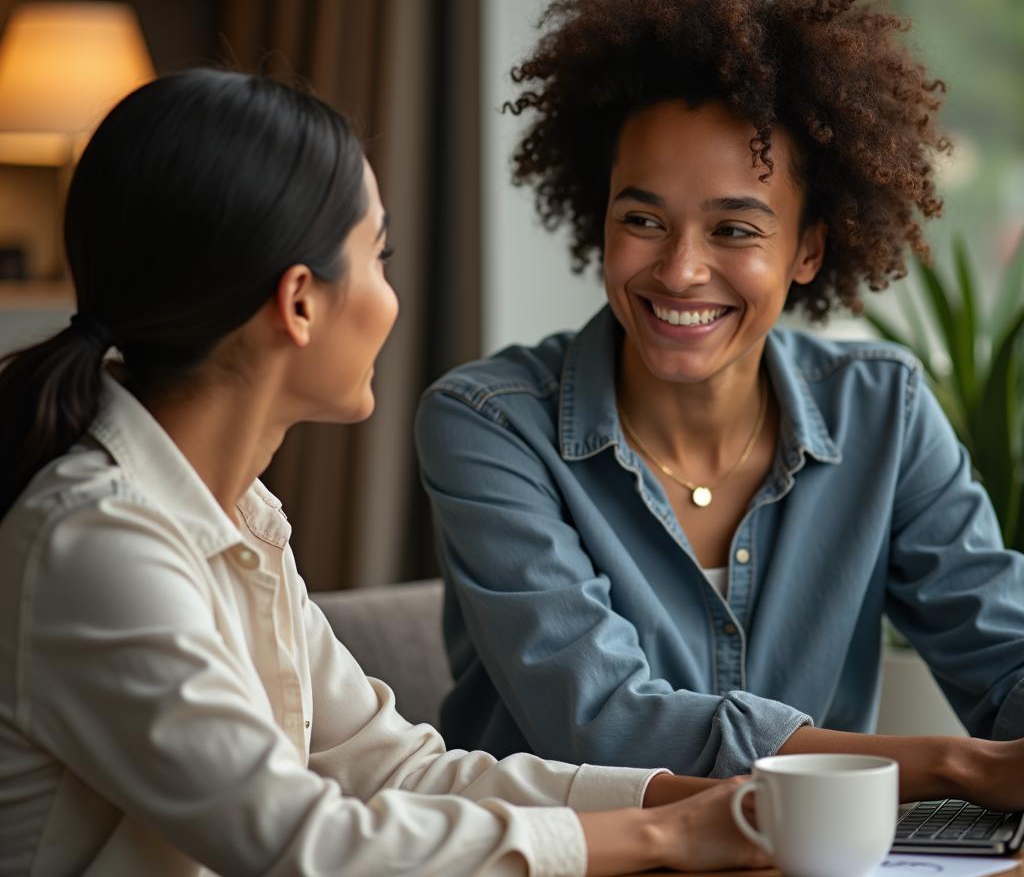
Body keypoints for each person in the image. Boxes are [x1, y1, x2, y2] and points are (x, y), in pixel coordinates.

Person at [0, 69, 765, 875]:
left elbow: (394, 771)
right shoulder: (94, 543)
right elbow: (310, 844)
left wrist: (681, 799)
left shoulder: (233, 516)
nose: (392, 299)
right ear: (300, 303)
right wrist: (670, 839)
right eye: (379, 254)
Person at [415, 0, 1024, 807]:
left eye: (734, 229)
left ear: (810, 249)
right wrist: (958, 765)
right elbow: (603, 725)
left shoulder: (881, 409)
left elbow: (1002, 657)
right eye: (643, 219)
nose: (681, 270)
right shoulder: (488, 422)